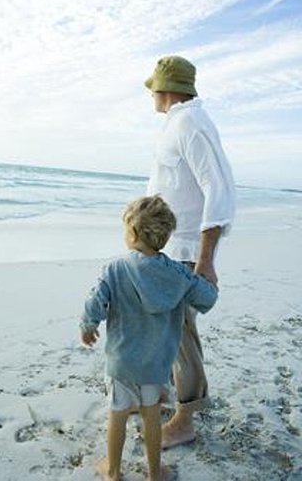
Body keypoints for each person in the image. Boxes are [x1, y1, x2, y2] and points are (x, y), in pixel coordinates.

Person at [80, 195, 218, 481]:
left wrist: (88, 326)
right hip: (155, 366)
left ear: (131, 233)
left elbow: (95, 303)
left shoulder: (115, 269)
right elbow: (207, 299)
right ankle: (155, 474)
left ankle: (114, 472)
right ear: (164, 237)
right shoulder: (179, 275)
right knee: (151, 416)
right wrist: (209, 282)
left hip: (121, 364)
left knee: (117, 415)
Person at [144, 55, 236, 448]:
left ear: (164, 87)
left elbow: (218, 189)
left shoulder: (190, 124)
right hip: (167, 247)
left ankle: (186, 418)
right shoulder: (180, 122)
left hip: (184, 251)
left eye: (153, 87)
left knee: (180, 334)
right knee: (162, 327)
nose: (150, 93)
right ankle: (164, 397)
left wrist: (206, 259)